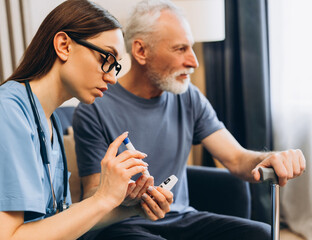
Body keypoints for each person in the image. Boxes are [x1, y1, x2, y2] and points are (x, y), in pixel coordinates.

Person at [72, 0, 306, 239]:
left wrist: (270, 157)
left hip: (181, 217)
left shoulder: (189, 97)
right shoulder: (94, 108)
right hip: (123, 225)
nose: (193, 61)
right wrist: (127, 199)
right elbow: (92, 194)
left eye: (191, 48)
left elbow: (236, 159)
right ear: (141, 51)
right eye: (180, 49)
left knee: (262, 235)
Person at [0, 0, 174, 239]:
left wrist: (131, 209)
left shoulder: (50, 122)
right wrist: (103, 197)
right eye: (107, 58)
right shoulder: (2, 115)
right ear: (64, 45)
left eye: (116, 66)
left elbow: (55, 222)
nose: (112, 78)